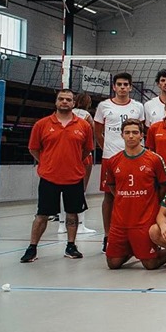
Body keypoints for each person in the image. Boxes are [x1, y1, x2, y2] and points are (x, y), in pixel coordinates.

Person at [21, 89, 94, 263]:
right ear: (56, 102)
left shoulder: (83, 126)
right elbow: (33, 148)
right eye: (61, 99)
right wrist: (46, 162)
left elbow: (87, 149)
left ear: (74, 103)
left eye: (68, 99)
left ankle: (71, 245)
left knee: (72, 214)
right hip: (49, 177)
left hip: (74, 177)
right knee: (42, 215)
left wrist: (73, 162)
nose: (64, 102)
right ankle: (32, 248)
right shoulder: (42, 124)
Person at [104, 119, 166, 270]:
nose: (131, 136)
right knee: (113, 264)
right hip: (120, 221)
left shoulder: (154, 159)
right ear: (122, 135)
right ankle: (133, 250)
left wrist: (155, 205)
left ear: (142, 135)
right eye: (127, 133)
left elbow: (165, 185)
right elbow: (111, 185)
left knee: (150, 265)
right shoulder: (113, 161)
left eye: (135, 132)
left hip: (144, 220)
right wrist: (123, 198)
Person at [94, 72, 145, 252]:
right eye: (119, 84)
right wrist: (107, 148)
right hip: (110, 158)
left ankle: (134, 234)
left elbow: (140, 130)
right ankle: (108, 236)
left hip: (134, 158)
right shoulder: (104, 106)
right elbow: (98, 132)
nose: (123, 87)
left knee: (135, 196)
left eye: (126, 84)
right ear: (114, 87)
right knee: (109, 196)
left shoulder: (138, 107)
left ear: (131, 87)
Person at [58, 92, 97, 235]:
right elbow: (91, 136)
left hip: (66, 155)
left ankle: (62, 225)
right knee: (81, 190)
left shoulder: (64, 113)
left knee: (64, 190)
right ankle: (80, 225)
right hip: (82, 155)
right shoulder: (86, 116)